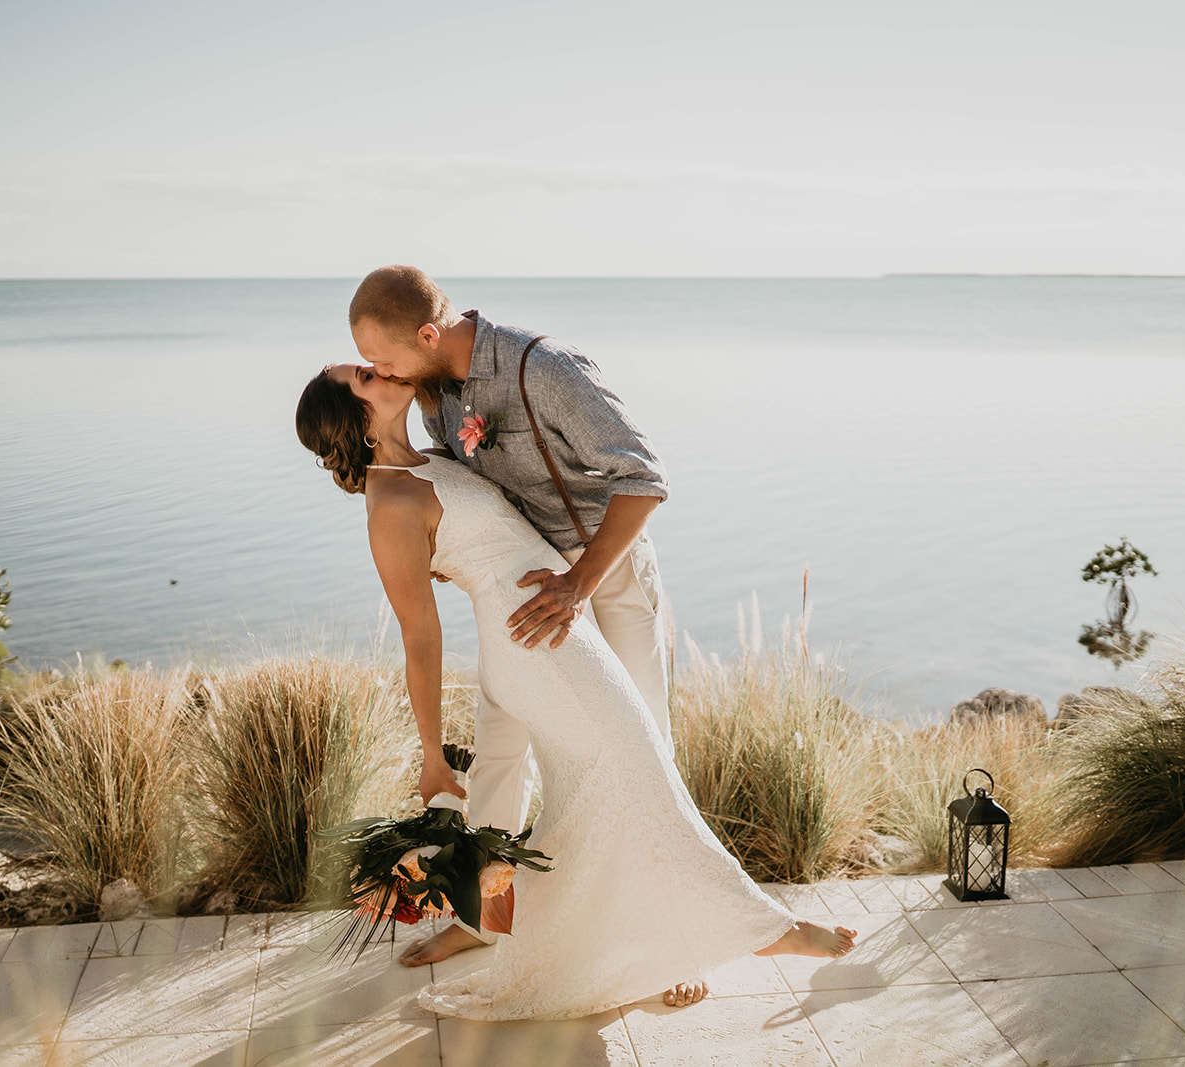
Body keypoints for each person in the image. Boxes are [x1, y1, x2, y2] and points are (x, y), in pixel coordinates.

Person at [296, 364, 856, 1020]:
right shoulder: (390, 503)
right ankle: (763, 930)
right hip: (532, 647)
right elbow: (420, 638)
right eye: (363, 374)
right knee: (639, 771)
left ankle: (579, 940)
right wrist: (430, 754)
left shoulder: (428, 455)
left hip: (556, 631)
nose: (378, 367)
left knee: (598, 796)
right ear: (354, 416)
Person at [346, 265, 674, 970]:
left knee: (643, 745)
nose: (379, 370)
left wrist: (580, 582)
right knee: (499, 746)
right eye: (369, 365)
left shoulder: (545, 368)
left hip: (604, 576)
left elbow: (644, 479)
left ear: (429, 334)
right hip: (525, 587)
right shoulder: (434, 396)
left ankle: (669, 946)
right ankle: (482, 915)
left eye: (384, 359)